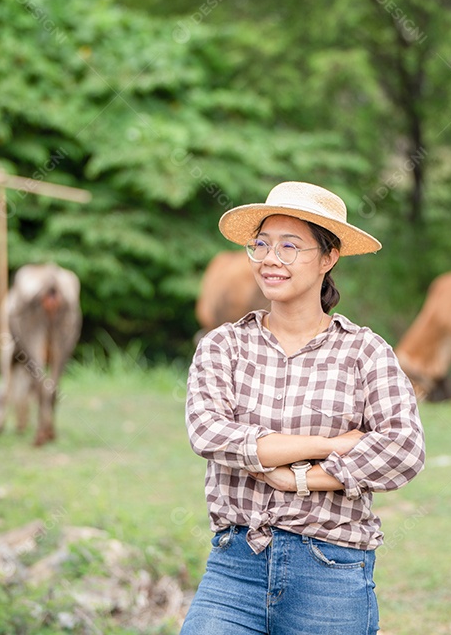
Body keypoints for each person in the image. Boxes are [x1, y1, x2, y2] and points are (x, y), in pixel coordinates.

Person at [181, 181, 426, 635]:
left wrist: (297, 476)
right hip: (236, 567)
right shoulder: (223, 345)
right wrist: (331, 444)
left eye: (290, 246)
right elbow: (209, 433)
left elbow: (404, 450)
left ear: (329, 257)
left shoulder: (365, 352)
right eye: (262, 245)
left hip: (330, 569)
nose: (271, 259)